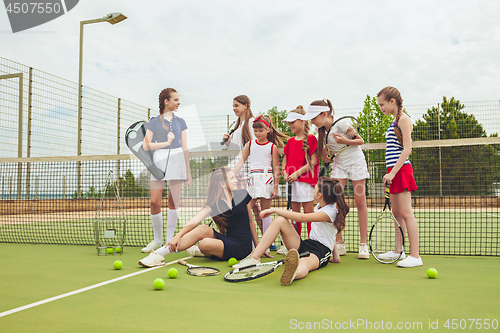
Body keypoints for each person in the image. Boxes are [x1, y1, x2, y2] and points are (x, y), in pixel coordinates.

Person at [232, 177, 348, 286]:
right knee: (280, 220)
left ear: (320, 195)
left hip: (320, 251)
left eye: (315, 188)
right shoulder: (320, 206)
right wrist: (336, 258)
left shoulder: (330, 212)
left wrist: (274, 209)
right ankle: (254, 258)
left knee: (304, 263)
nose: (313, 189)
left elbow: (301, 218)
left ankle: (293, 273)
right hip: (306, 244)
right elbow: (331, 233)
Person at [138, 167, 259, 267]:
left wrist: (258, 248)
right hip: (228, 240)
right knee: (203, 228)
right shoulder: (214, 203)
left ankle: (205, 251)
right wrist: (177, 236)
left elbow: (251, 222)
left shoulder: (243, 194)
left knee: (204, 244)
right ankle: (159, 254)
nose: (236, 180)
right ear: (222, 184)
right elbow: (195, 220)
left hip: (242, 246)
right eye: (232, 178)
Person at [302, 99, 370, 259]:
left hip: (355, 162)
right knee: (334, 202)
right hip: (339, 164)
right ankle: (339, 243)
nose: (312, 122)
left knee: (360, 201)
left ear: (324, 114)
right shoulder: (322, 132)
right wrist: (325, 150)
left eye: (314, 118)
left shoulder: (343, 123)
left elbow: (360, 141)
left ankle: (363, 245)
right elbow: (329, 147)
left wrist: (344, 141)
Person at [140, 88, 192, 253]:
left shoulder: (181, 122)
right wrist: (165, 144)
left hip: (177, 161)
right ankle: (157, 240)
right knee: (154, 202)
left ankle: (169, 241)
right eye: (175, 99)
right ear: (166, 102)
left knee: (173, 202)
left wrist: (188, 172)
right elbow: (146, 145)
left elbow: (185, 147)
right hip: (159, 160)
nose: (178, 102)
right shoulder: (154, 122)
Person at [376, 86, 422, 267]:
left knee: (406, 213)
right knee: (396, 213)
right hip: (393, 172)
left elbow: (407, 149)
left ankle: (415, 256)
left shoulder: (404, 119)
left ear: (392, 102)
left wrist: (393, 172)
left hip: (401, 171)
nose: (381, 108)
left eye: (382, 105)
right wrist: (390, 172)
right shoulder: (393, 121)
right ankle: (398, 251)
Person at [233, 114, 288, 248]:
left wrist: (275, 187)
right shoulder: (250, 144)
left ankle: (267, 242)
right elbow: (241, 161)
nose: (257, 133)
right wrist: (232, 174)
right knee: (246, 208)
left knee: (265, 212)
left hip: (266, 180)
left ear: (268, 130)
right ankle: (249, 241)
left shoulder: (272, 147)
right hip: (252, 180)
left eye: (260, 130)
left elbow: (276, 167)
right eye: (255, 130)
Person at [281, 105, 319, 239]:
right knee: (294, 214)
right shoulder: (290, 142)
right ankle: (296, 243)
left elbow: (313, 161)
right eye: (289, 123)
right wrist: (285, 173)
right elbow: (284, 162)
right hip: (292, 183)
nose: (290, 125)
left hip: (305, 182)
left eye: (292, 122)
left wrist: (297, 173)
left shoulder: (311, 139)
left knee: (308, 214)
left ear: (302, 121)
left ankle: (312, 241)